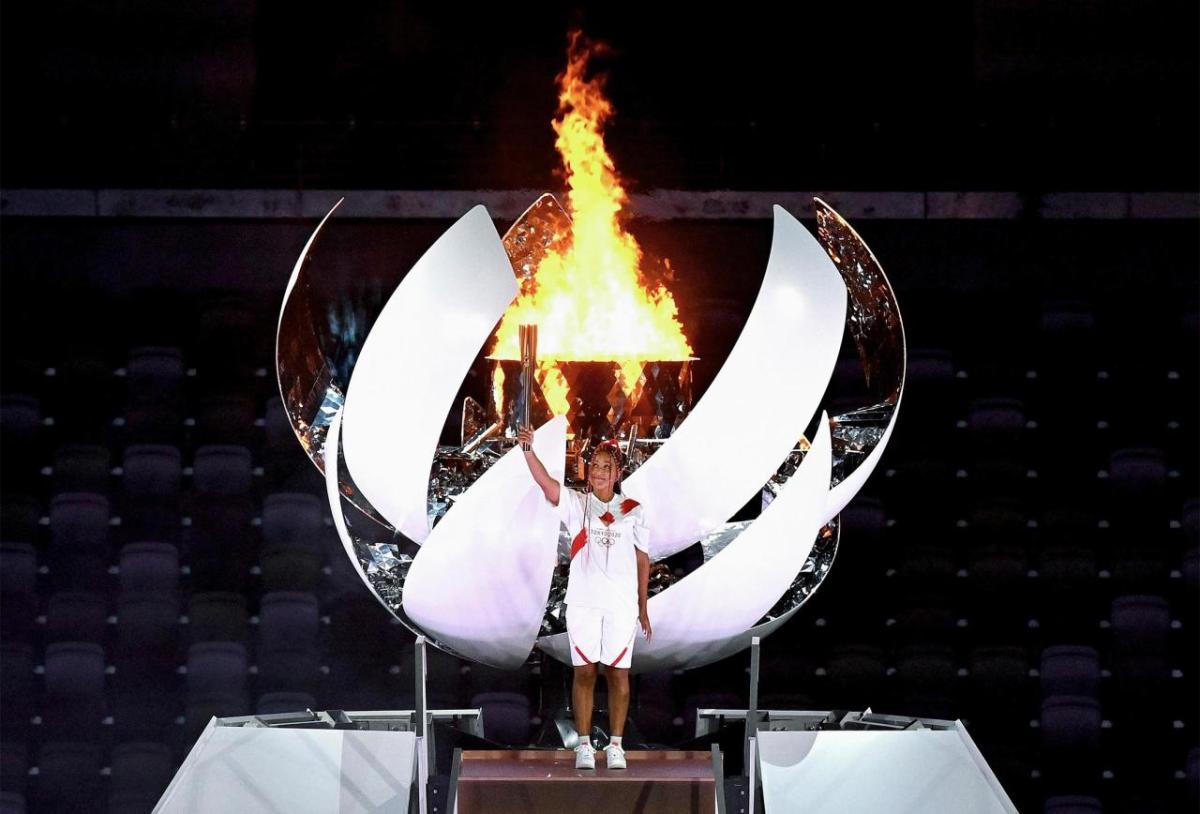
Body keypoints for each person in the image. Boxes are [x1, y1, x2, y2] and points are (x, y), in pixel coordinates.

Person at [518, 425, 652, 771]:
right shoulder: (577, 504)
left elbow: (641, 558)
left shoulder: (634, 509)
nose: (599, 472)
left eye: (606, 467)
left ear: (617, 473)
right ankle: (584, 745)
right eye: (594, 466)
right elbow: (546, 483)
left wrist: (643, 606)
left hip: (620, 605)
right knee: (585, 673)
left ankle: (617, 745)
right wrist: (528, 451)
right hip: (583, 603)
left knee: (619, 675)